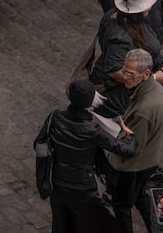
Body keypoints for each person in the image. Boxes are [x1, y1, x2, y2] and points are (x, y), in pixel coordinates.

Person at [40, 79, 137, 231]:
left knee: (60, 225)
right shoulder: (92, 130)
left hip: (57, 183)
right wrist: (130, 136)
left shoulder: (54, 117)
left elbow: (39, 145)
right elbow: (126, 150)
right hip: (82, 188)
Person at [104, 47, 163, 233]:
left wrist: (110, 134)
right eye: (124, 72)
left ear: (146, 73)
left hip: (135, 166)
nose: (126, 77)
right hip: (151, 158)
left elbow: (132, 146)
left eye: (130, 74)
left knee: (122, 204)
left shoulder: (144, 109)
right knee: (140, 195)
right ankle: (155, 228)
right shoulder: (155, 89)